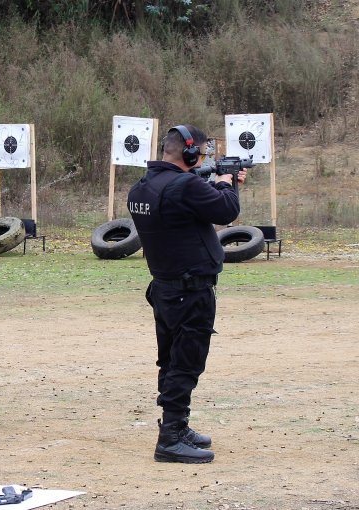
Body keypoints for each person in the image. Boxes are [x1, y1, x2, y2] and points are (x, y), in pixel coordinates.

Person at [127, 124, 246, 463]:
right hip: (190, 290)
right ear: (191, 153)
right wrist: (227, 184)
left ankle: (177, 426)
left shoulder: (143, 186)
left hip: (164, 288)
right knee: (186, 362)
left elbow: (183, 210)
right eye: (204, 152)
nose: (205, 158)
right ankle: (170, 438)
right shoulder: (186, 185)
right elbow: (226, 212)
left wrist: (214, 183)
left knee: (171, 360)